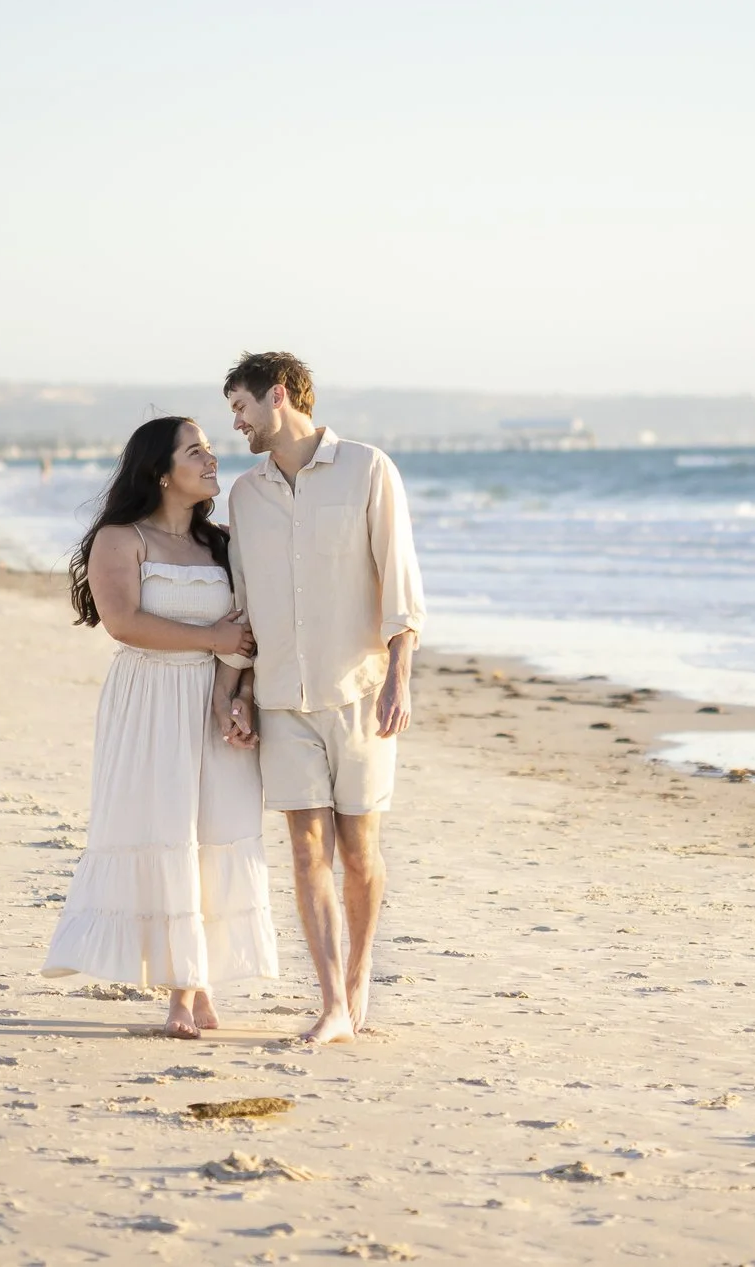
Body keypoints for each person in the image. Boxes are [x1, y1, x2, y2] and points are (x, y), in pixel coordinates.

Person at [42, 417, 280, 1037]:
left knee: (214, 836)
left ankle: (197, 985)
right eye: (195, 450)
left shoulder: (224, 543)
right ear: (160, 469)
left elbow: (251, 632)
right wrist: (211, 637)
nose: (211, 458)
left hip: (215, 697)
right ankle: (180, 994)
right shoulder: (121, 540)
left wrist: (241, 698)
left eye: (209, 447)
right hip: (149, 700)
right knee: (167, 832)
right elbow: (123, 623)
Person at [220, 351, 424, 1046]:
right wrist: (240, 693)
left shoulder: (369, 469)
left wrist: (400, 672)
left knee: (359, 850)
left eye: (241, 406)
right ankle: (333, 1000)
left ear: (279, 396)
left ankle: (358, 974)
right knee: (307, 849)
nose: (237, 422)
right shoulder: (245, 496)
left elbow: (399, 578)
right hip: (281, 696)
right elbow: (245, 604)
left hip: (360, 692)